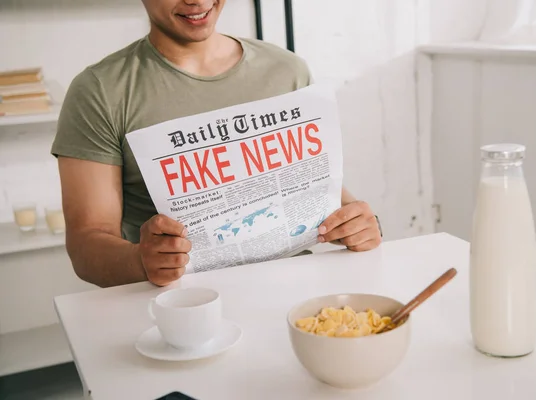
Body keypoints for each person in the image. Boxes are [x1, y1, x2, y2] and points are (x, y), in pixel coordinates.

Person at [51, 0, 382, 289]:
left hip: (296, 294)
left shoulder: (287, 70)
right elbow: (86, 246)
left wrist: (358, 222)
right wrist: (140, 260)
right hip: (180, 308)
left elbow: (316, 187)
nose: (196, 1)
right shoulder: (100, 91)